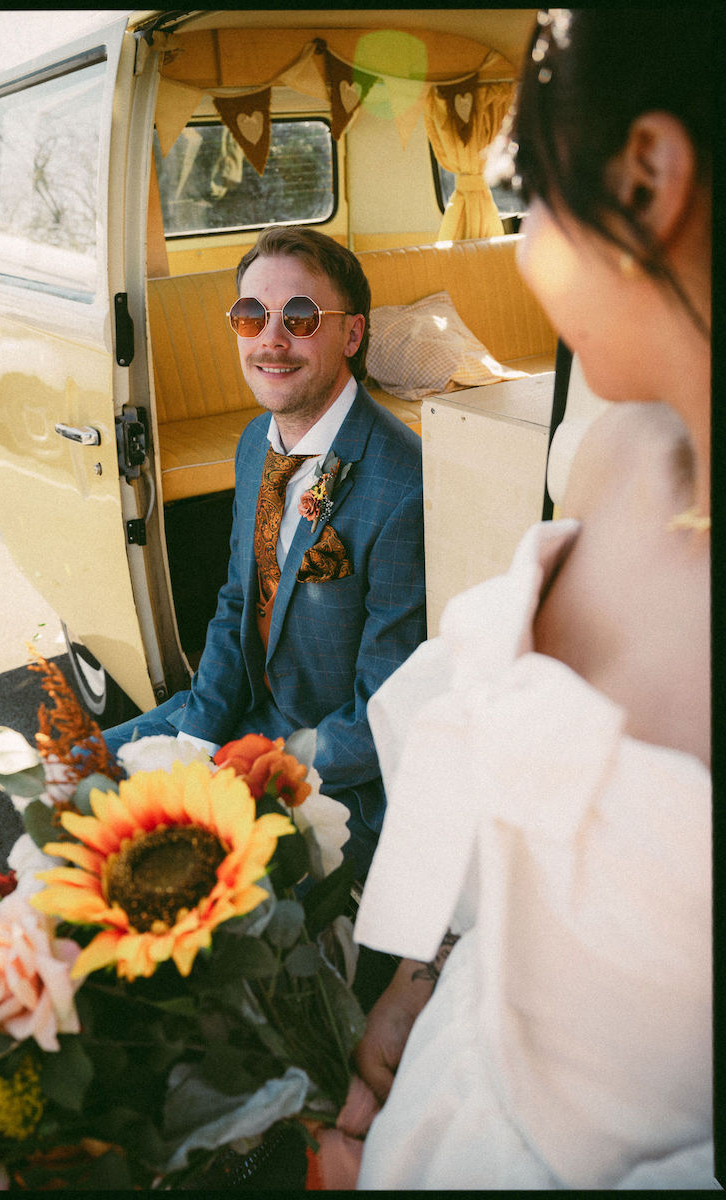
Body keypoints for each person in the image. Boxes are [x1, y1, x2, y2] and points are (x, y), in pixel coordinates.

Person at [318, 8, 714, 1189]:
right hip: (448, 1069)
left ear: (646, 180)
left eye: (527, 194)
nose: (524, 245)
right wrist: (416, 986)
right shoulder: (617, 453)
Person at [103, 225, 426, 879]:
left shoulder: (404, 486)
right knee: (71, 782)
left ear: (352, 335)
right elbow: (233, 603)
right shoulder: (256, 442)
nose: (271, 340)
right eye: (251, 316)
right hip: (243, 709)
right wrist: (195, 741)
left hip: (327, 762)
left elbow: (383, 711)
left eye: (300, 317)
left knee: (168, 882)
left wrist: (254, 769)